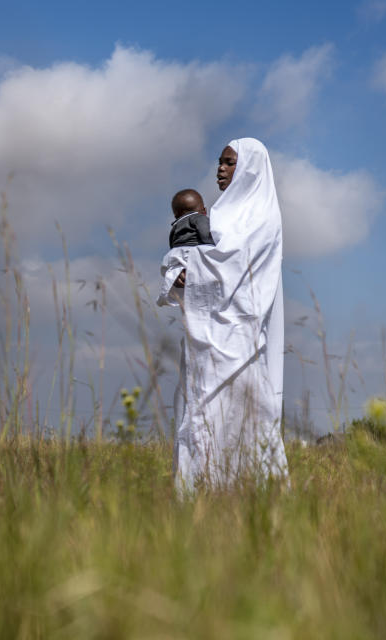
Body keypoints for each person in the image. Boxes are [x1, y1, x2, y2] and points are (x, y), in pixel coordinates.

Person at [164, 138, 288, 491]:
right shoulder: (212, 215)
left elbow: (235, 265)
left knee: (247, 416)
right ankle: (199, 502)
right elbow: (180, 254)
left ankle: (256, 501)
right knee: (200, 417)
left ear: (248, 167)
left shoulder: (263, 217)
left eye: (230, 162)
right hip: (204, 337)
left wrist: (195, 268)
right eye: (220, 161)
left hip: (241, 338)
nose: (220, 168)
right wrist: (178, 270)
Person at [157, 189, 214, 306]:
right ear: (204, 210)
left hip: (178, 255)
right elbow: (205, 234)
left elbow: (172, 244)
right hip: (196, 250)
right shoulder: (199, 218)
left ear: (176, 214)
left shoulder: (175, 226)